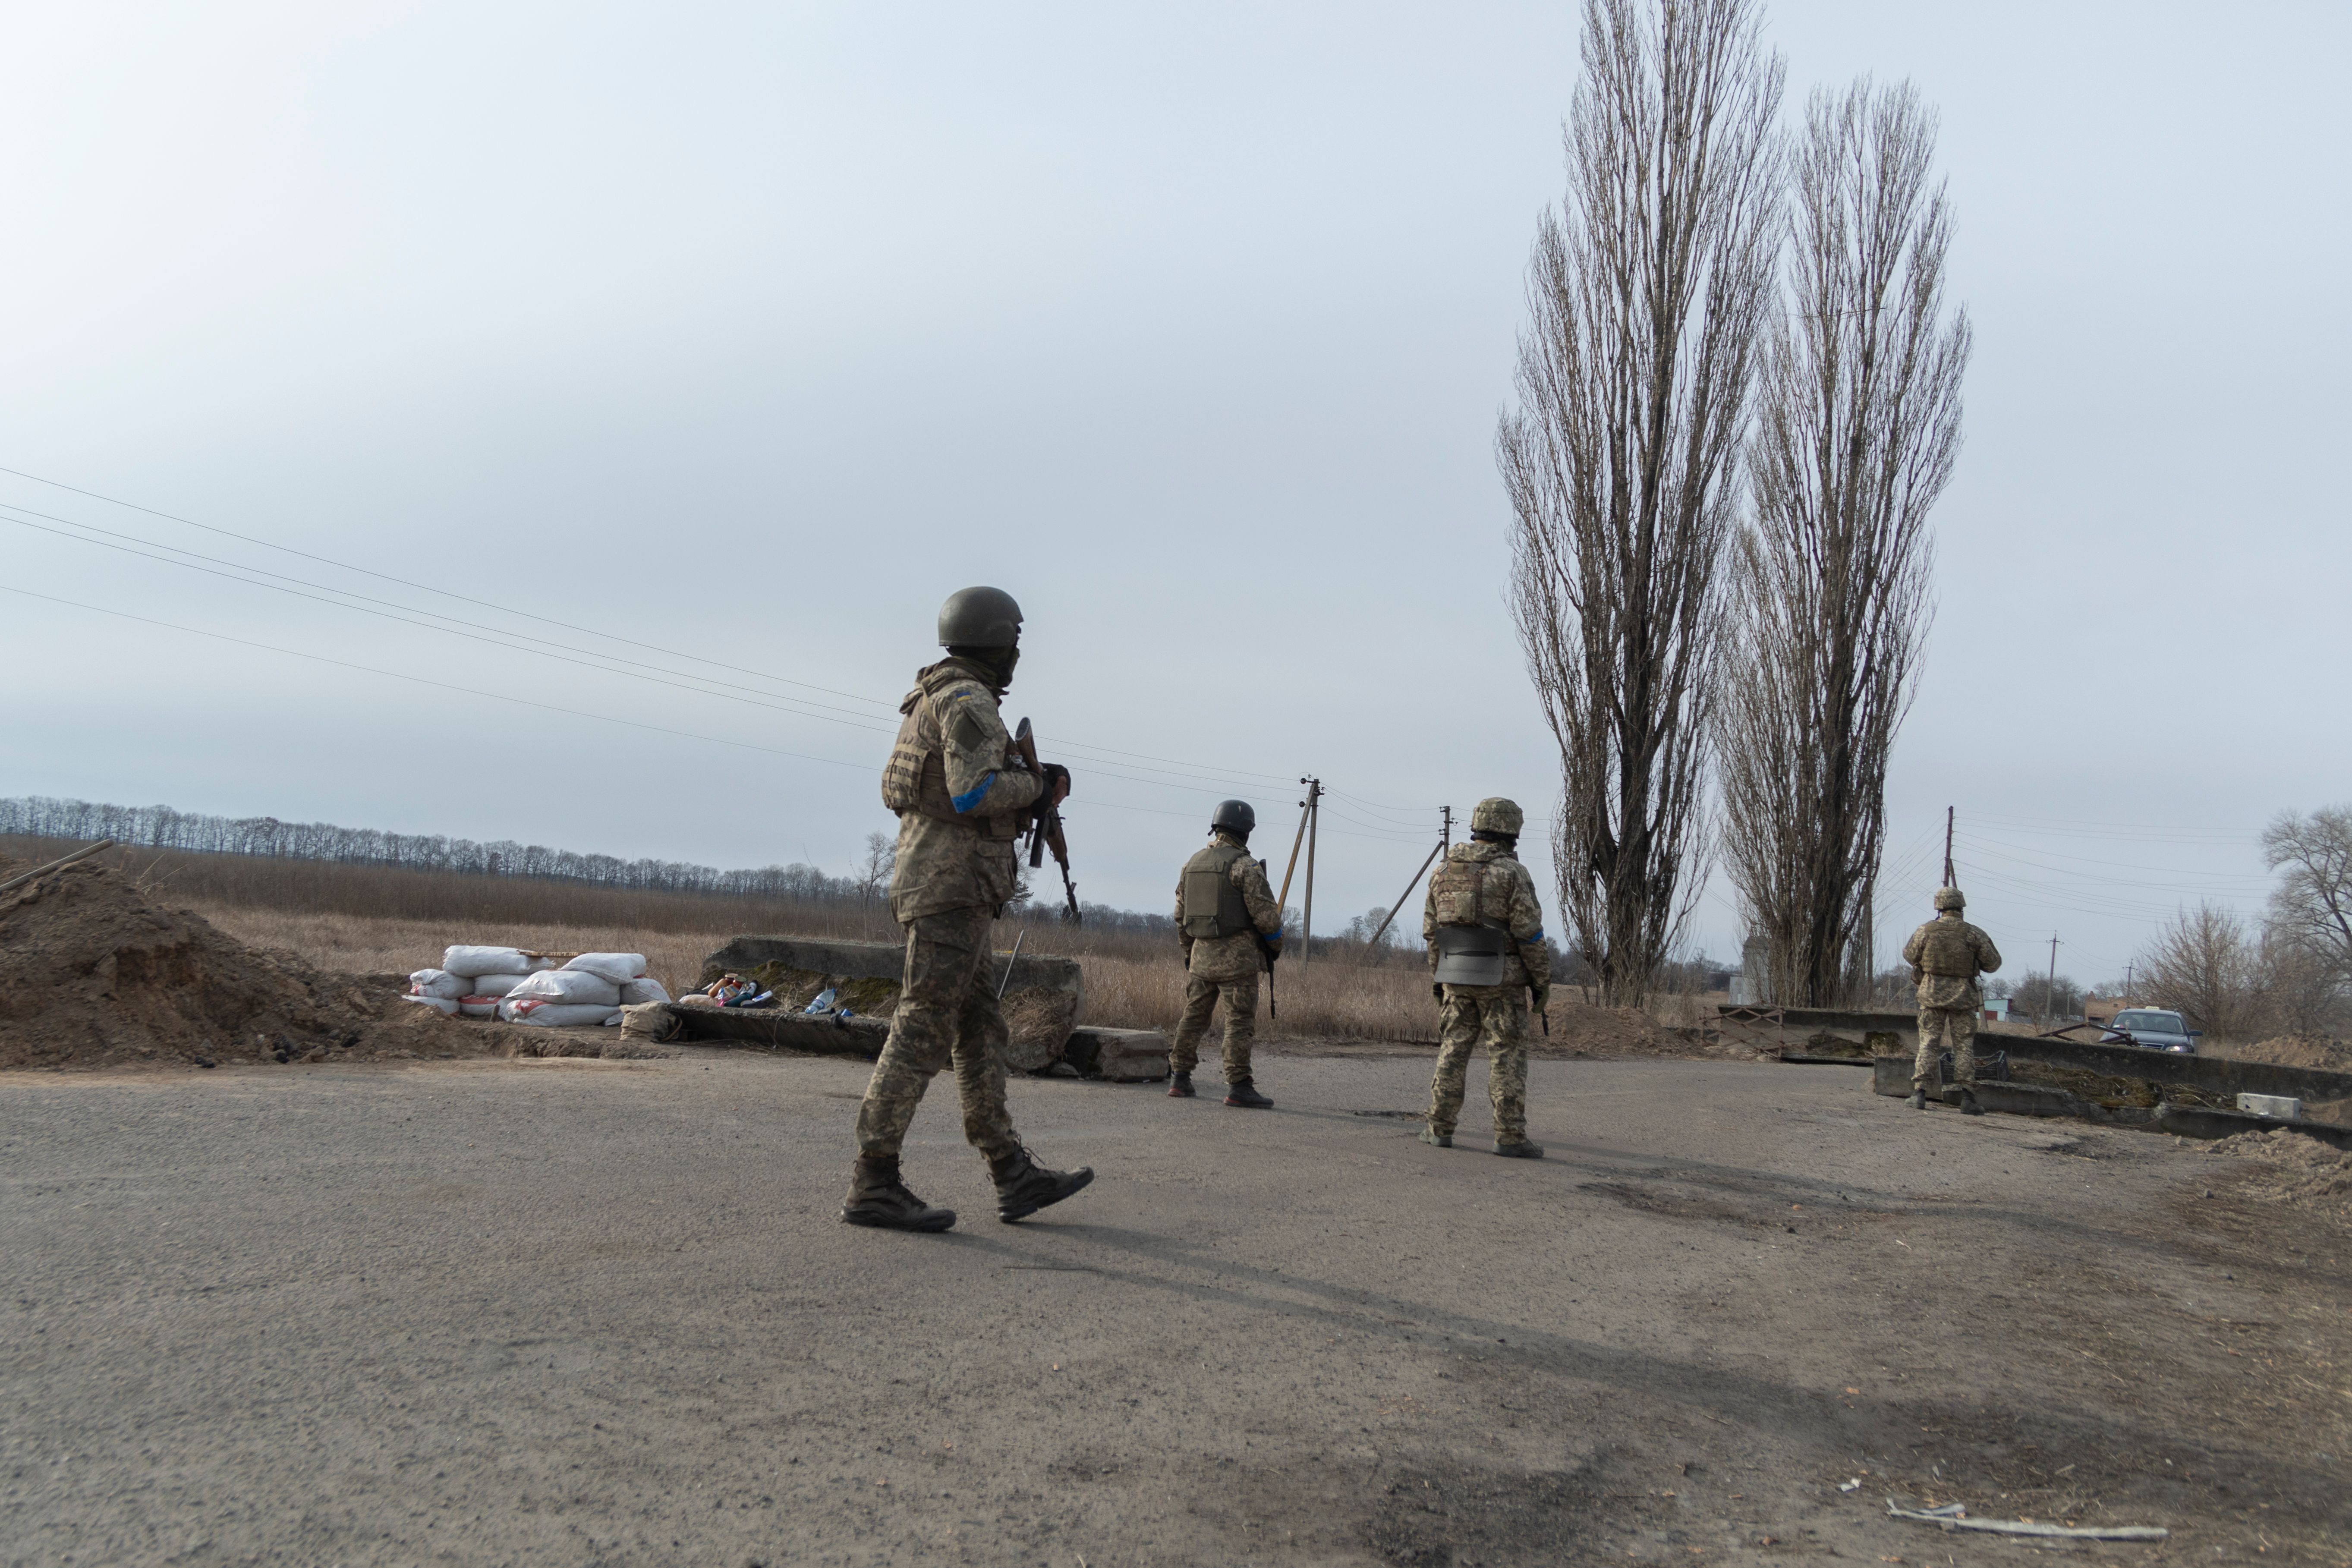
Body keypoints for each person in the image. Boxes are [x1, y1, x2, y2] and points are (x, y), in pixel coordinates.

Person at [840, 586, 1095, 1232]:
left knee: (981, 1027)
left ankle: (1011, 1170)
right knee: (922, 1025)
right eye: (1012, 640)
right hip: (949, 888)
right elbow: (973, 789)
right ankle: (872, 1180)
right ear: (998, 641)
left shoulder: (931, 695)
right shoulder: (966, 700)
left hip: (953, 887)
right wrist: (1036, 786)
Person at [1420, 797, 1551, 1157]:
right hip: (1501, 982)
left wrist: (1438, 976)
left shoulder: (1442, 870)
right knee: (1506, 1056)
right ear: (1512, 832)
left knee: (1452, 1051)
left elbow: (1431, 931)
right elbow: (1529, 933)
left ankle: (1438, 1128)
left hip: (1455, 977)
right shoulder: (1511, 873)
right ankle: (1509, 1136)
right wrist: (1542, 981)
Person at [1167, 800, 1285, 1106]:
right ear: (1246, 831)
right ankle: (1239, 1086)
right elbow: (1267, 918)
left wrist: (1189, 953)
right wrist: (1275, 946)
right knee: (1239, 1022)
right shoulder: (1245, 867)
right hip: (1239, 962)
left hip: (1201, 958)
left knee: (1193, 1017)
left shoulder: (1191, 864)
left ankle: (1179, 1078)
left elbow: (1180, 916)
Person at [1901, 887, 2003, 1115]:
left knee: (1928, 1043)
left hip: (1931, 996)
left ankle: (1919, 1094)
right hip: (1963, 999)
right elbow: (1993, 964)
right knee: (1964, 1046)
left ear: (1939, 907)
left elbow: (1910, 955)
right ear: (1961, 907)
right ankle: (1968, 1098)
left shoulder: (1926, 930)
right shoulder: (1974, 934)